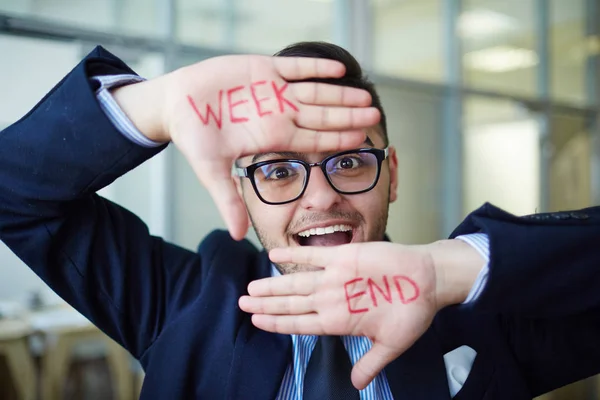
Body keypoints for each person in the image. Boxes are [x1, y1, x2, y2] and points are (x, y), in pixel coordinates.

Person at [0, 40, 599, 400]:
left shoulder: (479, 312)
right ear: (243, 189)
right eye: (280, 171)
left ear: (391, 174)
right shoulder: (181, 301)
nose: (319, 200)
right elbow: (12, 192)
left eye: (347, 161)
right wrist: (153, 106)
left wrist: (452, 270)